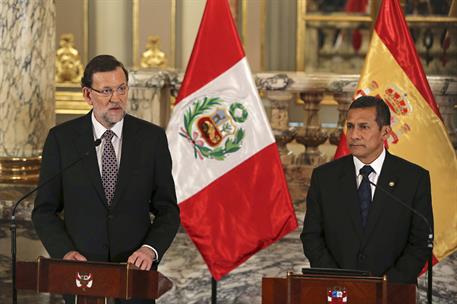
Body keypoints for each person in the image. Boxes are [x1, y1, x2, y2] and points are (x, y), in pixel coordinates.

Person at [32, 55, 180, 303]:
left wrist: (150, 250)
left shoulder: (151, 139)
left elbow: (168, 210)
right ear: (87, 95)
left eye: (121, 88)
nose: (116, 98)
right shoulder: (62, 140)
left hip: (135, 275)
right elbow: (44, 211)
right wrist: (64, 253)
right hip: (83, 275)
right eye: (107, 91)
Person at [300, 95, 433, 284]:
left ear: (385, 132)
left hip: (392, 292)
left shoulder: (414, 179)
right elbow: (312, 237)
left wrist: (387, 285)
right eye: (350, 126)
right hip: (338, 291)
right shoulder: (324, 178)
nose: (354, 135)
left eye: (363, 127)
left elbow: (420, 242)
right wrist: (338, 280)